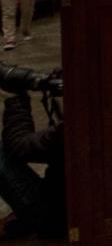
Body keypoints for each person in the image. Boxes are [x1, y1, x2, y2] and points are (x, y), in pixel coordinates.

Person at [0, 87, 65, 239]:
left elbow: (19, 146)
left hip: (58, 218)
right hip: (82, 204)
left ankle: (33, 221)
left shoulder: (79, 124)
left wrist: (15, 99)